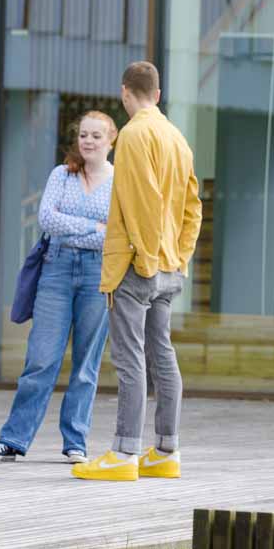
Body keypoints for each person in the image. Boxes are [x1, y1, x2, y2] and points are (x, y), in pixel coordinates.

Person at [72, 62, 202, 482]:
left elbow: (138, 200)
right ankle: (166, 450)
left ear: (126, 93)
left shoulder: (132, 134)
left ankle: (124, 452)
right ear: (158, 95)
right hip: (168, 265)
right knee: (161, 354)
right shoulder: (176, 137)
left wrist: (144, 258)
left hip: (138, 265)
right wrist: (177, 256)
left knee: (130, 361)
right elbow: (193, 207)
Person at [0, 112, 118, 463]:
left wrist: (85, 228)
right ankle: (12, 440)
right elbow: (47, 219)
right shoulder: (62, 174)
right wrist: (93, 227)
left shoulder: (120, 181)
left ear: (111, 141)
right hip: (55, 268)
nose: (87, 141)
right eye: (83, 134)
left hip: (97, 274)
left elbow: (117, 230)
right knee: (41, 359)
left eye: (96, 136)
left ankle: (76, 442)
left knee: (86, 363)